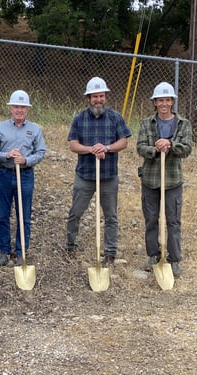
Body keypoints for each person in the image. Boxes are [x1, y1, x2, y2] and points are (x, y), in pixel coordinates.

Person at [65, 77, 132, 267]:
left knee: (111, 216)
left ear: (105, 97)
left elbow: (124, 142)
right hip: (85, 176)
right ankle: (71, 247)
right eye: (95, 96)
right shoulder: (79, 118)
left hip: (108, 177)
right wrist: (91, 149)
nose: (99, 99)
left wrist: (107, 148)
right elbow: (73, 145)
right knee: (75, 213)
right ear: (88, 98)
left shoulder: (115, 117)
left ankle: (110, 254)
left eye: (101, 96)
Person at [136, 82, 192, 277]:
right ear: (155, 102)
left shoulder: (183, 124)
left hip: (172, 181)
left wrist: (170, 143)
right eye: (160, 100)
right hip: (150, 180)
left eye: (168, 100)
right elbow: (141, 147)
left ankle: (174, 259)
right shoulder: (146, 123)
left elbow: (186, 149)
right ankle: (153, 255)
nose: (164, 103)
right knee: (151, 220)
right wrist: (155, 149)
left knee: (173, 221)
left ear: (172, 102)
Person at [0, 90, 47, 266]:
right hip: (4, 175)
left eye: (22, 107)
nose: (19, 110)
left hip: (26, 175)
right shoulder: (0, 128)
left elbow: (41, 152)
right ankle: (4, 250)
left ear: (27, 109)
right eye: (16, 106)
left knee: (24, 215)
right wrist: (6, 155)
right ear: (11, 108)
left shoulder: (35, 129)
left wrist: (26, 160)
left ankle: (21, 251)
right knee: (2, 214)